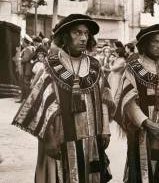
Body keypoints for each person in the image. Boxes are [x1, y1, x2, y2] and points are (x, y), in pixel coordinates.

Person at [12, 14, 115, 183]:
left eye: (86, 33)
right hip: (61, 138)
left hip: (92, 138)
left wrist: (105, 129)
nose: (83, 38)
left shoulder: (95, 65)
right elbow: (41, 106)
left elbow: (104, 99)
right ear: (65, 36)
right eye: (77, 33)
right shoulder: (50, 65)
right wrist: (49, 140)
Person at [114, 24, 159, 183]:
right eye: (155, 42)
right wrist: (147, 123)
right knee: (141, 170)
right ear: (145, 44)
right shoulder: (133, 68)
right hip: (142, 132)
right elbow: (128, 100)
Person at [16, 35, 36, 103]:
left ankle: (26, 100)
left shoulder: (27, 49)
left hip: (26, 69)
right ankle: (23, 99)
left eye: (23, 42)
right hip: (28, 69)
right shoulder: (32, 48)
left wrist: (20, 59)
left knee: (26, 85)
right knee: (25, 84)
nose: (22, 43)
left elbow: (26, 59)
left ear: (25, 42)